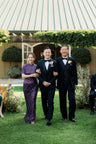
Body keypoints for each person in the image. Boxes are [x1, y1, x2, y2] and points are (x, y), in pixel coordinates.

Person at [56, 45, 78, 122]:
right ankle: (64, 116)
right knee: (62, 100)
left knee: (72, 100)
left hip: (71, 83)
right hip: (61, 84)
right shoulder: (57, 61)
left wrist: (76, 83)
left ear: (68, 51)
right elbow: (55, 72)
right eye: (63, 50)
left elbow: (75, 72)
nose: (64, 51)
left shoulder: (72, 60)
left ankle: (72, 117)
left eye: (66, 49)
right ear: (60, 51)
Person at [36, 47, 57, 126]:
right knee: (44, 101)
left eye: (49, 52)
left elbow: (56, 74)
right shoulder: (39, 62)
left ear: (51, 53)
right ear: (43, 53)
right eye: (46, 52)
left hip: (51, 85)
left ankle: (49, 118)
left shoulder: (54, 62)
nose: (47, 53)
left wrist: (50, 82)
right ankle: (46, 115)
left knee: (50, 101)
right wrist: (43, 81)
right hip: (43, 85)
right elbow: (37, 74)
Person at [22, 53, 38, 124]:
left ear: (34, 58)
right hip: (26, 86)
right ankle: (27, 116)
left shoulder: (36, 66)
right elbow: (23, 76)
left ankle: (32, 118)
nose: (30, 59)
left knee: (32, 101)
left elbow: (38, 74)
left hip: (34, 85)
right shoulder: (24, 66)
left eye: (32, 57)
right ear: (27, 58)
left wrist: (36, 75)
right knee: (28, 101)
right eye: (29, 57)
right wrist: (30, 75)